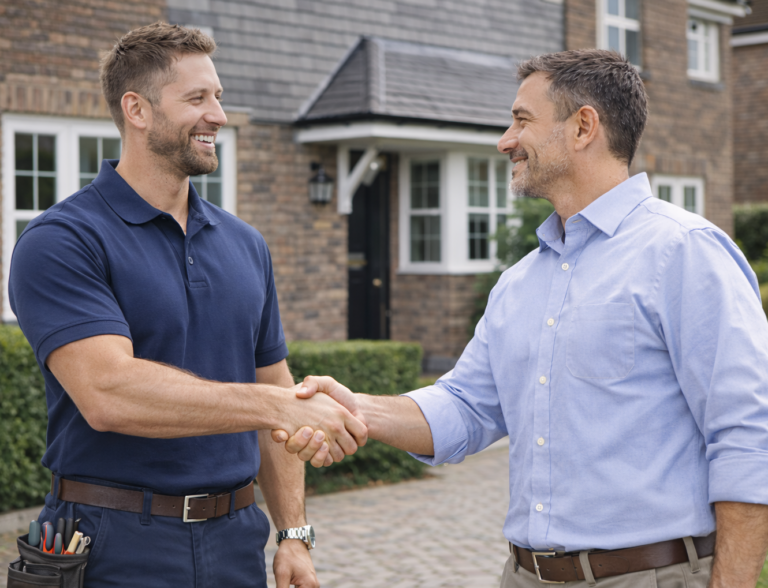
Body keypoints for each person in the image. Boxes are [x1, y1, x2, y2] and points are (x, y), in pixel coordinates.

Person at [277, 49, 768, 588]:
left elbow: (749, 436)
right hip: (524, 576)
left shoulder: (684, 253)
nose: (505, 140)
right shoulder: (520, 282)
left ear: (583, 127)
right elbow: (464, 406)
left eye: (521, 120)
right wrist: (357, 408)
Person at [8, 22, 366, 588]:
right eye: (197, 98)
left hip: (235, 542)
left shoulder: (245, 243)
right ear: (138, 109)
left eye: (218, 97)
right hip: (110, 545)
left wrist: (293, 533)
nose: (218, 115)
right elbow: (108, 393)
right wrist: (276, 408)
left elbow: (277, 384)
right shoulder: (62, 240)